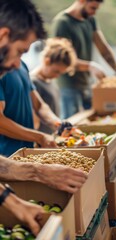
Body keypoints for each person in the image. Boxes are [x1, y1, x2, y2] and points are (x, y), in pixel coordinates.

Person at [0, 0, 87, 232]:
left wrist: (58, 124)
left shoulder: (17, 67)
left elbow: (38, 103)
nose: (18, 62)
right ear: (3, 36)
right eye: (20, 51)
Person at [51, 0, 116, 119]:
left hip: (88, 84)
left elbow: (103, 48)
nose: (94, 13)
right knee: (71, 124)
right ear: (82, 1)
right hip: (69, 85)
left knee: (95, 119)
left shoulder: (90, 19)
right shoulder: (62, 22)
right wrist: (90, 66)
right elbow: (62, 59)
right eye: (93, 8)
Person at [30, 37, 77, 133]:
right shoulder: (33, 82)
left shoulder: (50, 80)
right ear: (47, 61)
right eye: (56, 71)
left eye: (60, 73)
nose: (57, 76)